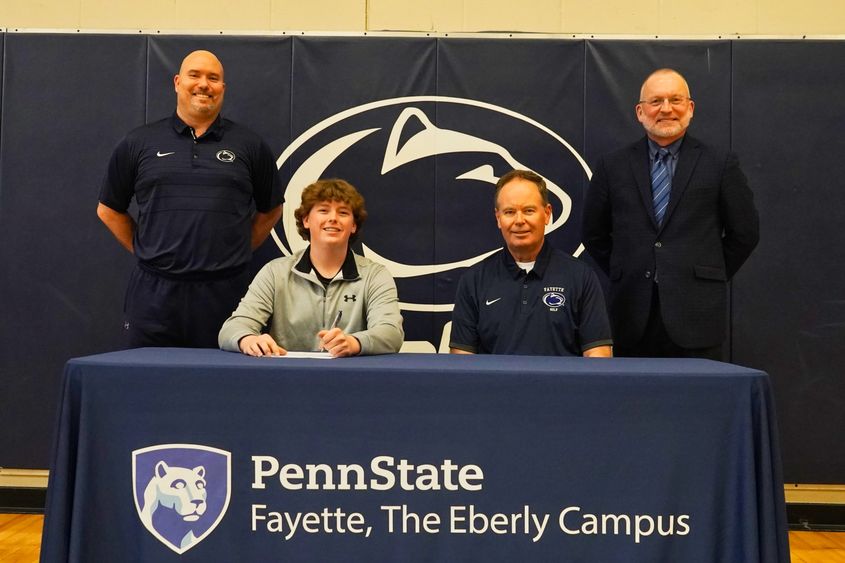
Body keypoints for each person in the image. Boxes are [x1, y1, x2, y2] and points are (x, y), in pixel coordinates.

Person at [96, 50, 283, 348]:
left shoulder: (250, 145)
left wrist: (235, 249)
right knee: (147, 385)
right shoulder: (138, 142)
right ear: (177, 82)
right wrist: (147, 250)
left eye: (213, 78)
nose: (204, 84)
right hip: (154, 294)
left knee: (222, 389)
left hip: (226, 293)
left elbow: (271, 209)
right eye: (195, 75)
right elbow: (108, 210)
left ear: (223, 87)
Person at [582, 68, 759, 359]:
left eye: (675, 100)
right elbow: (594, 233)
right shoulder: (612, 166)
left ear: (690, 108)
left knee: (697, 403)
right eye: (656, 101)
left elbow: (745, 232)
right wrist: (626, 270)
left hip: (697, 315)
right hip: (631, 314)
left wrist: (708, 274)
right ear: (640, 111)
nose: (666, 109)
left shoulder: (719, 163)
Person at [218, 179, 404, 357]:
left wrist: (354, 343)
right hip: (288, 378)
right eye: (323, 210)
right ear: (306, 220)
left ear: (353, 226)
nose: (333, 218)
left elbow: (391, 333)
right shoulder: (275, 272)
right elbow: (232, 328)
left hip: (351, 378)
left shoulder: (375, 275)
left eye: (343, 213)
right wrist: (247, 339)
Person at [449, 170, 613, 357]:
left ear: (547, 213)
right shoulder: (473, 281)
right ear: (498, 219)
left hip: (561, 387)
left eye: (529, 210)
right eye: (510, 212)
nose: (519, 221)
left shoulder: (581, 278)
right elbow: (462, 361)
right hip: (495, 387)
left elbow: (598, 356)